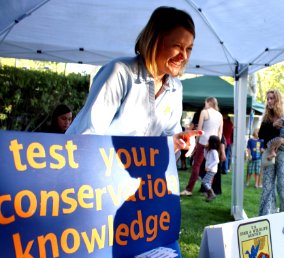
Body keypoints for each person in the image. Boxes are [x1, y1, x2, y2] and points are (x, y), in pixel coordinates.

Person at [66, 6, 201, 153]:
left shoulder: (176, 88)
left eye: (189, 49)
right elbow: (87, 135)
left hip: (136, 174)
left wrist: (179, 140)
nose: (184, 56)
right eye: (178, 46)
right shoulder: (120, 73)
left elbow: (169, 137)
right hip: (99, 170)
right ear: (155, 41)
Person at [181, 97, 223, 196]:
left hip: (203, 141)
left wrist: (195, 143)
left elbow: (199, 130)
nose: (204, 105)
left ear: (209, 102)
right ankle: (208, 191)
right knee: (211, 166)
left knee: (196, 165)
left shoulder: (204, 112)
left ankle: (189, 189)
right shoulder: (220, 115)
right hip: (214, 143)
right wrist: (217, 144)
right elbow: (220, 132)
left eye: (205, 102)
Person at [201, 135, 221, 201]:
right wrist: (205, 149)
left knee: (204, 181)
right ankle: (209, 194)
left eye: (209, 141)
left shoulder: (214, 151)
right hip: (210, 169)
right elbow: (206, 157)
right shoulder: (210, 150)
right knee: (208, 182)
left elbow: (217, 160)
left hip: (212, 170)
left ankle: (211, 193)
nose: (207, 142)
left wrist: (209, 167)